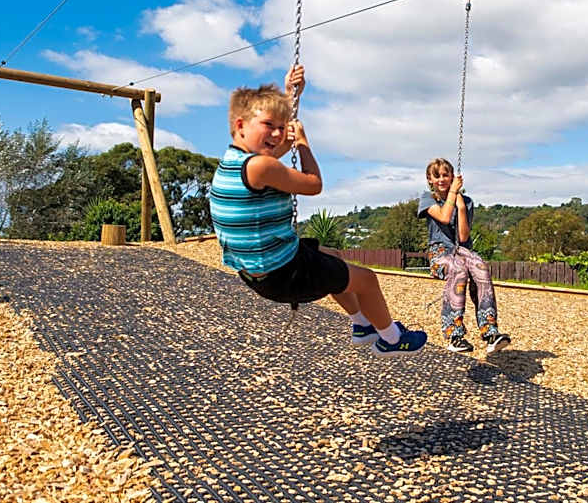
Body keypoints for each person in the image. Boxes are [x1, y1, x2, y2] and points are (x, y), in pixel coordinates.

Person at [209, 65, 427, 357]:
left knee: (333, 259)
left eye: (280, 125)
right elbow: (313, 184)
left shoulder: (235, 160)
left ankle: (361, 324)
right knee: (367, 280)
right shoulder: (261, 165)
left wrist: (291, 94)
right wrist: (303, 143)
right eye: (268, 125)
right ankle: (391, 339)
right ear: (240, 125)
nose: (277, 133)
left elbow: (274, 150)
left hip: (258, 270)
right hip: (284, 273)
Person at [418, 158, 511, 354]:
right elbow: (443, 216)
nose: (442, 179)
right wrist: (453, 194)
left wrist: (461, 207)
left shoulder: (466, 202)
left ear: (453, 177)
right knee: (458, 270)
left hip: (462, 250)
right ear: (430, 180)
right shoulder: (428, 199)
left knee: (481, 268)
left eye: (446, 175)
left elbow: (463, 236)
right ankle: (454, 335)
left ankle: (490, 332)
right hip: (440, 253)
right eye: (437, 176)